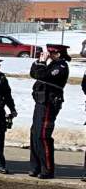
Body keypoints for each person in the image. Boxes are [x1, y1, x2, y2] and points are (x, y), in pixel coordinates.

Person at [29, 44, 70, 179]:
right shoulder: (51, 65)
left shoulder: (61, 66)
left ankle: (47, 168)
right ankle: (35, 166)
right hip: (40, 102)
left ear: (58, 54)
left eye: (52, 53)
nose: (49, 55)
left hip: (49, 103)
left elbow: (43, 75)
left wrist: (42, 63)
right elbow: (33, 73)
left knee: (43, 135)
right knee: (34, 133)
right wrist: (38, 62)